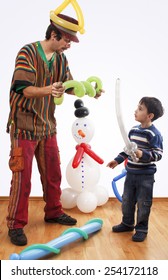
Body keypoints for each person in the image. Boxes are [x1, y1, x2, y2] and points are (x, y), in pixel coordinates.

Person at [6, 13, 103, 246]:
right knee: (22, 178)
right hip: (23, 126)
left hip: (47, 125)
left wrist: (89, 90)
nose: (69, 45)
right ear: (53, 34)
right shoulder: (27, 52)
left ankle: (53, 212)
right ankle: (16, 224)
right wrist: (50, 90)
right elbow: (23, 88)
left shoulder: (60, 59)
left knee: (53, 173)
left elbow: (67, 85)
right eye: (67, 40)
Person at [107, 97, 164, 242]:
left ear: (149, 116)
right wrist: (117, 160)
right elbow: (127, 150)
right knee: (127, 200)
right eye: (137, 107)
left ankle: (141, 229)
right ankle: (127, 223)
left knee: (144, 203)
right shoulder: (133, 130)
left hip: (145, 176)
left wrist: (141, 154)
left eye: (140, 109)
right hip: (131, 173)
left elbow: (158, 155)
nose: (135, 111)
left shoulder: (153, 134)